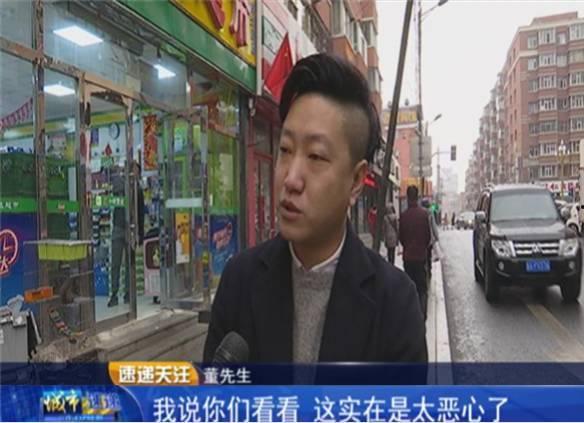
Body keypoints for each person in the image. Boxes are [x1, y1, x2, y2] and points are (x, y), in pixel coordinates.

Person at [204, 54, 427, 363]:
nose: (291, 179)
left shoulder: (396, 304)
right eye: (285, 150)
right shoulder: (239, 282)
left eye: (316, 156)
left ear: (356, 181)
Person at [108, 161, 144, 307]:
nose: (136, 174)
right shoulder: (119, 184)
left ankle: (128, 293)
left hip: (132, 229)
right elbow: (114, 191)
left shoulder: (139, 190)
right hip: (118, 227)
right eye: (134, 171)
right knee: (115, 263)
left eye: (137, 173)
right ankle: (114, 294)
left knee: (130, 264)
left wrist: (140, 234)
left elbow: (141, 212)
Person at [399, 186, 432, 319]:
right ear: (417, 197)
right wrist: (422, 248)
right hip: (420, 257)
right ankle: (422, 315)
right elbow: (428, 237)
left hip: (408, 257)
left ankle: (412, 316)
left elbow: (401, 237)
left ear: (407, 197)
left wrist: (408, 246)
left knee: (410, 287)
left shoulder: (404, 216)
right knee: (422, 288)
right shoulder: (423, 215)